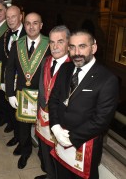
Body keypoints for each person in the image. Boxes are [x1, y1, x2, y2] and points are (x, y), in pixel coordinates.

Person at [49, 30, 119, 179]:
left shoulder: (107, 79)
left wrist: (70, 138)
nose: (76, 52)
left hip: (85, 144)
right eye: (72, 47)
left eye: (82, 46)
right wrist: (55, 126)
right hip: (60, 138)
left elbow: (101, 120)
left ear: (93, 48)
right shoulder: (65, 68)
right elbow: (54, 99)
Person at [5, 12, 50, 169]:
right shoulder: (17, 44)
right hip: (22, 95)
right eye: (28, 23)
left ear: (41, 25)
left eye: (35, 23)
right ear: (24, 25)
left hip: (43, 97)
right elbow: (9, 70)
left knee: (43, 131)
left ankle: (44, 160)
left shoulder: (49, 45)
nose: (31, 26)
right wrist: (10, 93)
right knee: (23, 129)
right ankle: (25, 152)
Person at [35, 25, 71, 179]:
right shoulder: (45, 61)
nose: (55, 46)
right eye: (51, 42)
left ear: (69, 43)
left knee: (60, 158)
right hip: (43, 118)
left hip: (62, 122)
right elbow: (41, 89)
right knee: (45, 152)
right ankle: (49, 175)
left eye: (60, 42)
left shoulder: (74, 66)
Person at [4, 5, 27, 149]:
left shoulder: (29, 33)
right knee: (12, 111)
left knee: (22, 115)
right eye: (8, 17)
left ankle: (23, 143)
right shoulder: (7, 34)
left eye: (13, 16)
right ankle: (17, 137)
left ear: (21, 17)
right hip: (11, 80)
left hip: (25, 82)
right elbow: (6, 59)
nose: (10, 20)